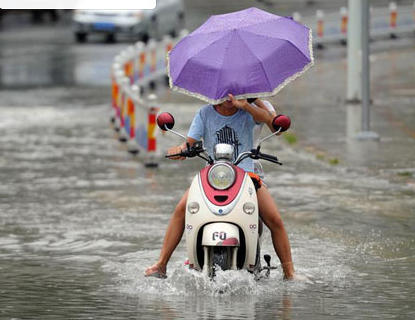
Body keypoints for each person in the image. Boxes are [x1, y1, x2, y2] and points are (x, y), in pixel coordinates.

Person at [144, 94, 295, 279]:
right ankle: (161, 264)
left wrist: (247, 104)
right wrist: (180, 150)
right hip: (213, 175)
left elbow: (274, 126)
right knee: (181, 209)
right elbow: (190, 143)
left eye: (234, 91)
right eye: (224, 91)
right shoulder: (204, 113)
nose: (228, 96)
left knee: (275, 220)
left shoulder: (251, 110)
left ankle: (289, 272)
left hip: (247, 174)